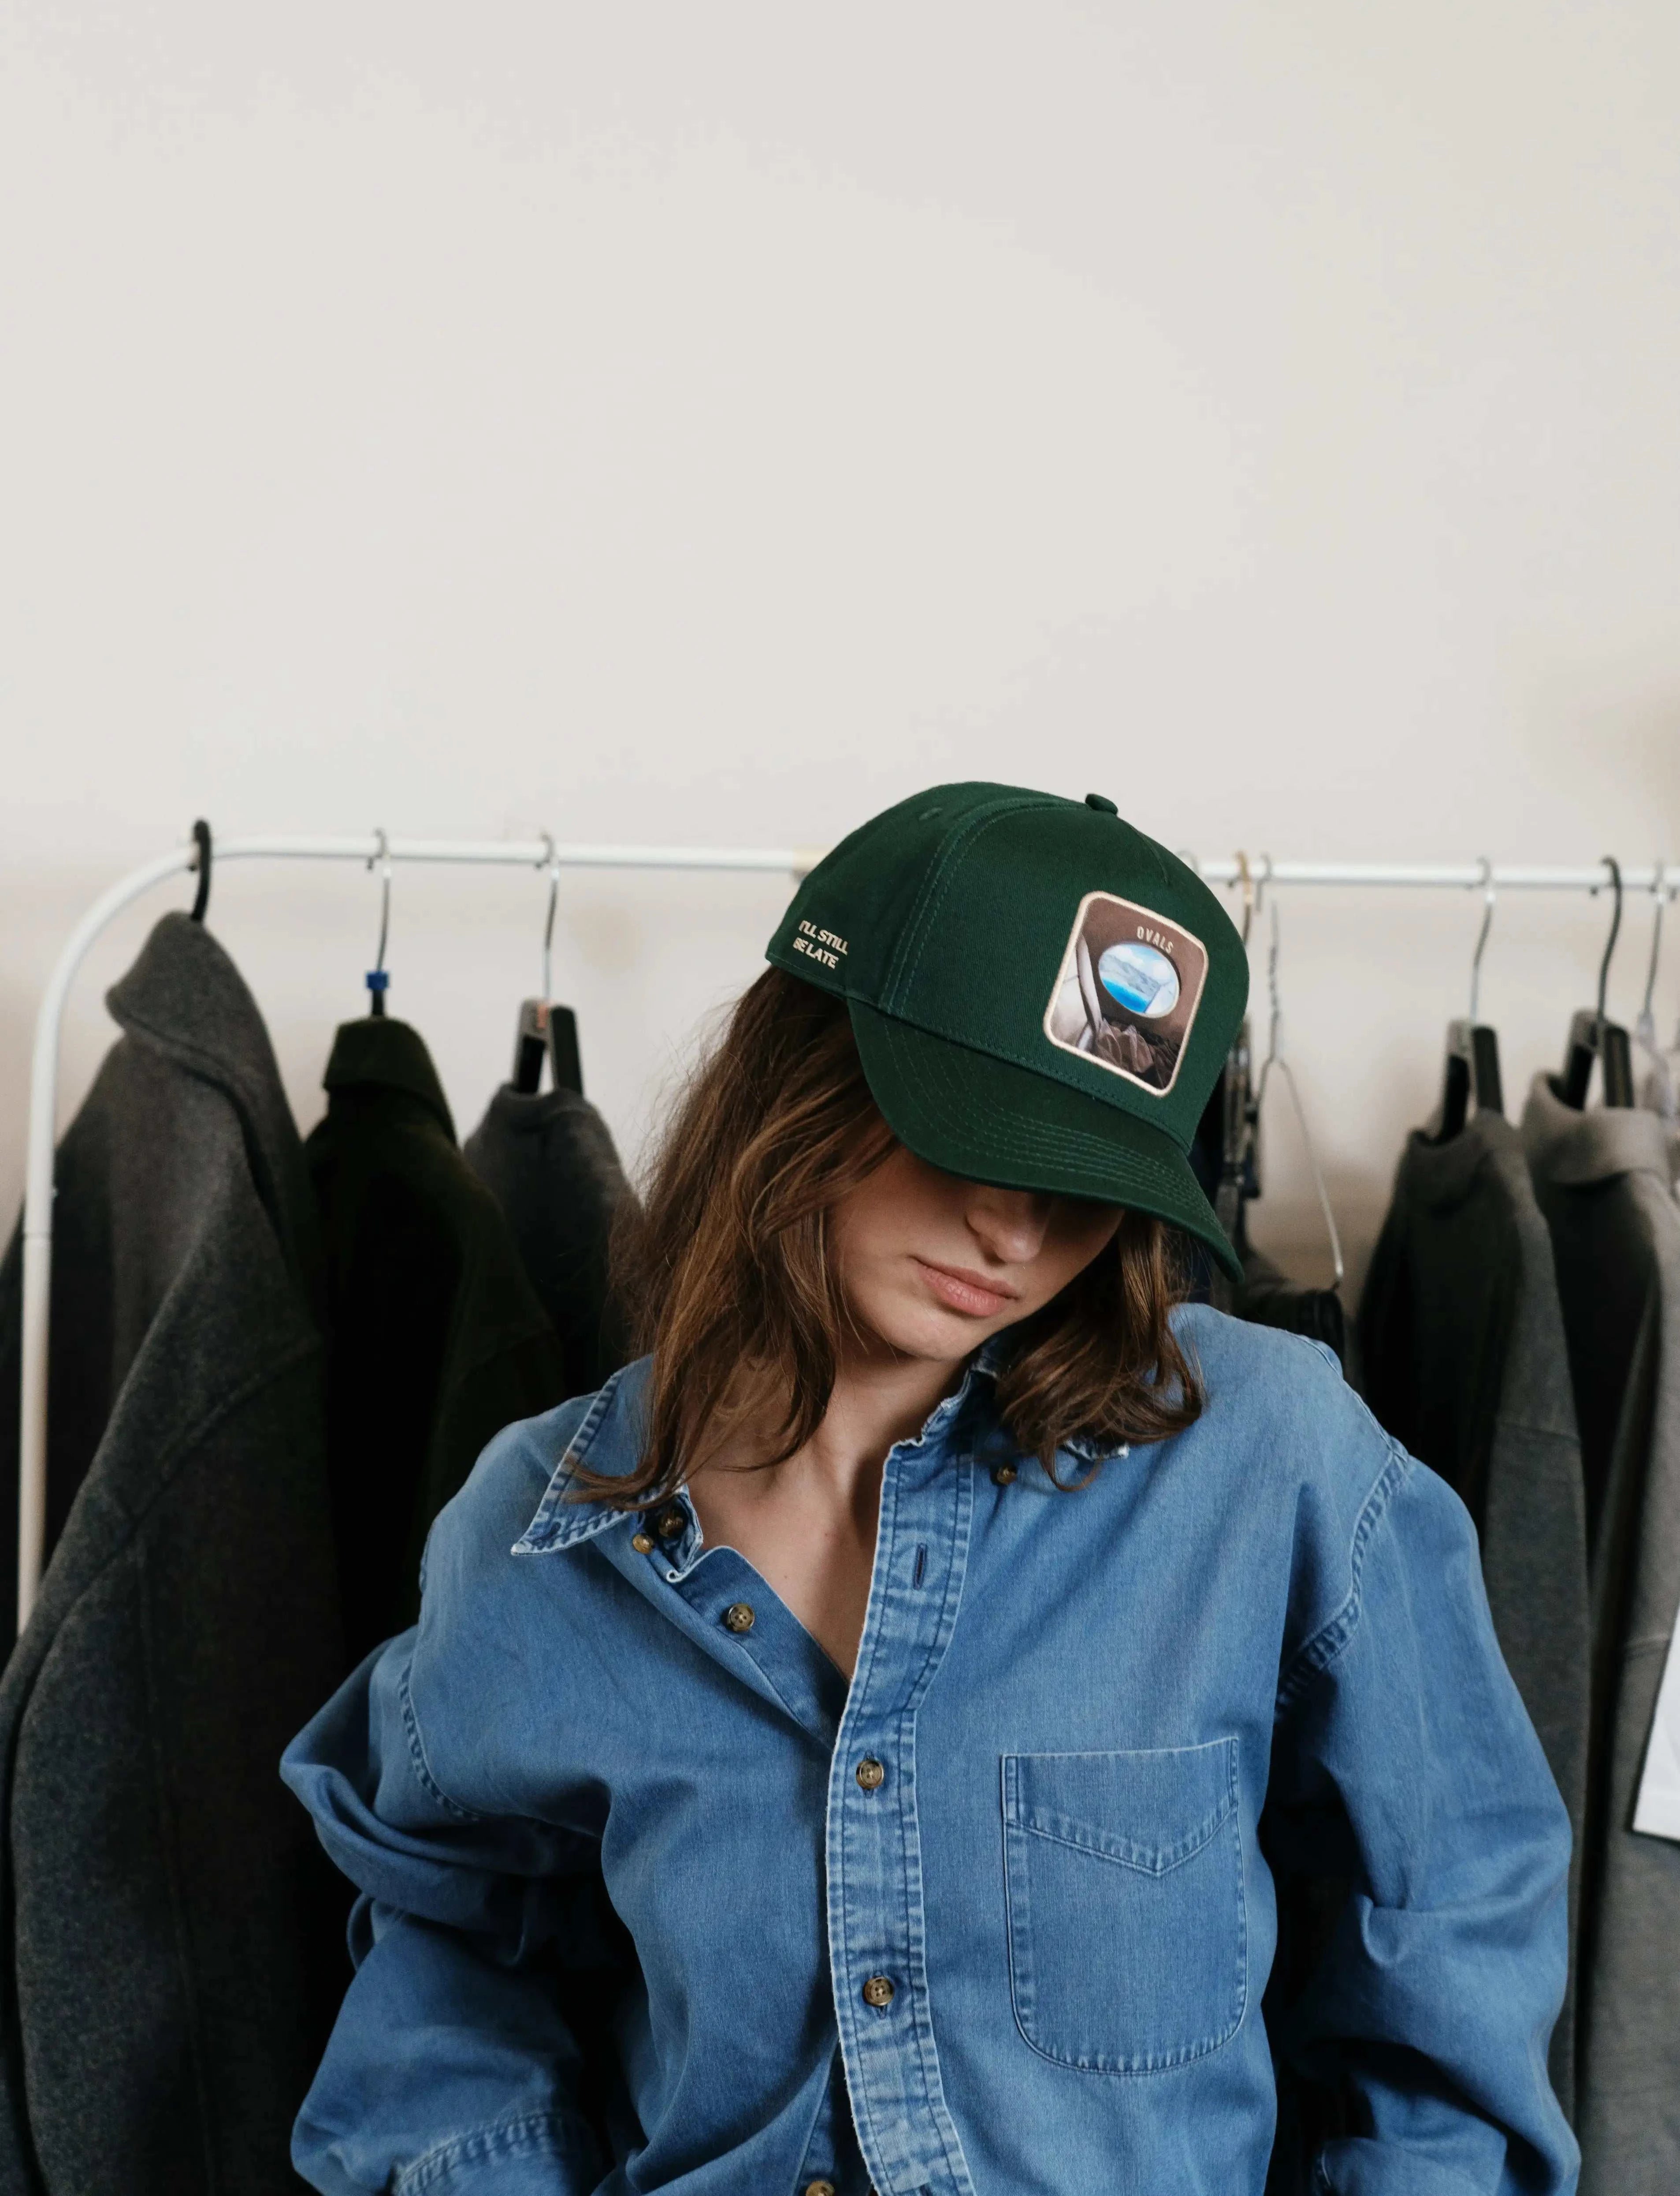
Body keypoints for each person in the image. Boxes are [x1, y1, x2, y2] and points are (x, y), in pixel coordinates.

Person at [283, 782, 1577, 2196]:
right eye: (973, 1133)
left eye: (1086, 1177)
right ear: (805, 1072)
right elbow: (450, 1947)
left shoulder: (1262, 1463)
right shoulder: (543, 1530)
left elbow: (1457, 1902)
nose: (1017, 1232)